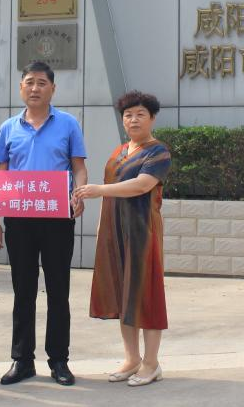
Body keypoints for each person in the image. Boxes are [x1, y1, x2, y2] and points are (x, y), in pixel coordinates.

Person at [0, 61, 87, 386]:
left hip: (57, 217)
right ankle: (22, 360)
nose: (35, 88)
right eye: (29, 82)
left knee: (58, 290)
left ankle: (59, 360)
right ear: (21, 87)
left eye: (42, 83)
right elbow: (0, 176)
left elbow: (78, 166)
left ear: (52, 89)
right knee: (23, 291)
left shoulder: (68, 124)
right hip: (18, 219)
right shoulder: (8, 128)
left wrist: (79, 193)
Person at [73, 90, 171, 387]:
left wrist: (99, 190)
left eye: (140, 114)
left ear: (152, 118)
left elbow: (141, 185)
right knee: (123, 294)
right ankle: (132, 359)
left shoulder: (158, 152)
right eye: (128, 115)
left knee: (146, 295)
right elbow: (112, 195)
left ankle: (152, 363)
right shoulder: (119, 151)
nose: (133, 119)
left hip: (143, 233)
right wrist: (102, 228)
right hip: (114, 232)